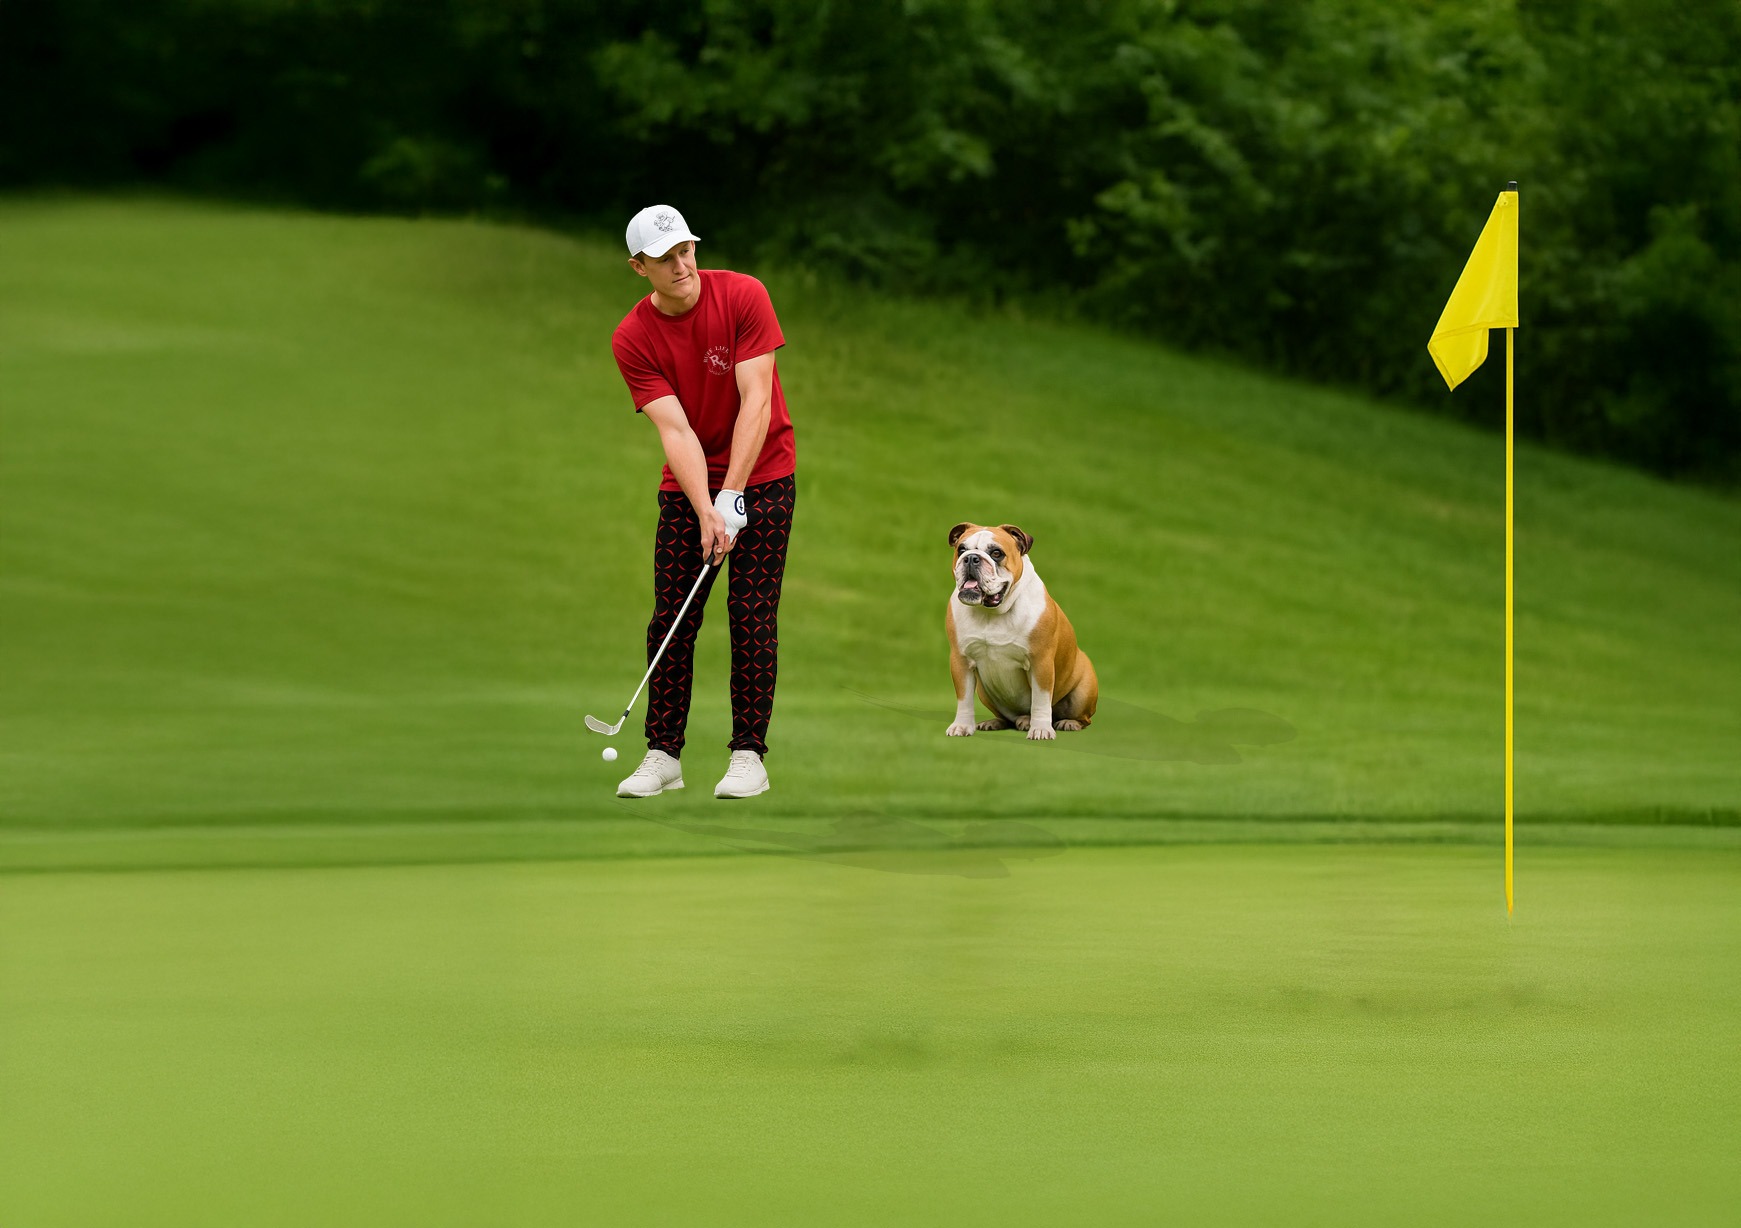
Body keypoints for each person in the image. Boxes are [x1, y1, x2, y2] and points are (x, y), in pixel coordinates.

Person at [608, 205, 796, 799]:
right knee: (672, 617)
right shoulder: (633, 337)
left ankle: (748, 755)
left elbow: (756, 400)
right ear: (639, 267)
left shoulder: (743, 295)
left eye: (685, 250)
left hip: (765, 474)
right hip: (689, 486)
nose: (681, 265)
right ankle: (663, 754)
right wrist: (707, 508)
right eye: (664, 259)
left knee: (751, 613)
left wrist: (734, 494)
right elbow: (677, 430)